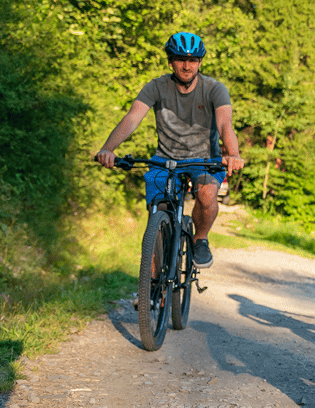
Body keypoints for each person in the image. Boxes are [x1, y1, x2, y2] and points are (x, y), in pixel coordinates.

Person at [94, 32, 244, 269]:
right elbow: (132, 119)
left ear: (200, 62)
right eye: (180, 59)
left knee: (206, 195)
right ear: (170, 61)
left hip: (204, 159)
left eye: (193, 60)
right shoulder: (156, 87)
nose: (187, 65)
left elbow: (225, 124)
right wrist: (107, 149)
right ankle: (152, 290)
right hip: (164, 159)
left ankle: (200, 238)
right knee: (157, 214)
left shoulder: (215, 89)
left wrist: (233, 154)